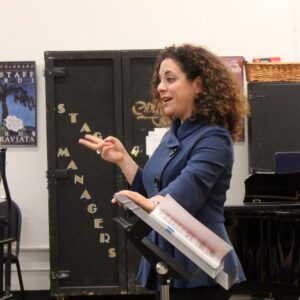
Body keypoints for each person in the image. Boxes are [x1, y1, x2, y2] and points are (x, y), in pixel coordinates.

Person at [79, 44, 248, 299]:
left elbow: (185, 194)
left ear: (198, 85)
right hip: (167, 258)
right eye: (160, 80)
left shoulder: (214, 137)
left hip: (200, 266)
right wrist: (123, 159)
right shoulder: (174, 133)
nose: (160, 87)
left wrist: (150, 203)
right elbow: (152, 190)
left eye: (170, 79)